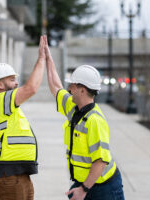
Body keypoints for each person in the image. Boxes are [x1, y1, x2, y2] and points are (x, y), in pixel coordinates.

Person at [44, 37, 125, 200]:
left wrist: (83, 190)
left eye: (72, 86)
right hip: (86, 185)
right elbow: (56, 87)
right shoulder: (74, 108)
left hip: (104, 189)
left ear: (82, 90)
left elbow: (100, 161)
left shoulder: (95, 120)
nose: (69, 88)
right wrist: (47, 58)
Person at [0, 36, 47, 200]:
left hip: (19, 173)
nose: (17, 83)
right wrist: (41, 59)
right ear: (0, 85)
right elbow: (31, 88)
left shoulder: (8, 106)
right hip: (6, 175)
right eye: (12, 79)